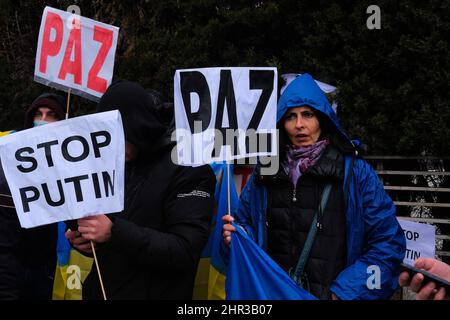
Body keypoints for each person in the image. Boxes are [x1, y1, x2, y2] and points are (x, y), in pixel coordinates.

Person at [222, 73, 406, 300]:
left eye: (307, 115)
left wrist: (344, 293)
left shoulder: (356, 174)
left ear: (323, 119)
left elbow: (387, 246)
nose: (299, 125)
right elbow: (248, 226)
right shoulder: (265, 172)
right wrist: (238, 236)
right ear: (281, 123)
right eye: (291, 116)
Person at [65, 80, 216, 300]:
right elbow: (113, 235)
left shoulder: (190, 169)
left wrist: (113, 232)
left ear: (138, 126)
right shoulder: (113, 164)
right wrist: (88, 241)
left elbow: (185, 250)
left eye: (117, 134)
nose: (110, 145)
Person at [0, 92, 66, 299]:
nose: (43, 120)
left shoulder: (72, 167)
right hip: (14, 269)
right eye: (39, 114)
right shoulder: (9, 160)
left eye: (51, 115)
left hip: (50, 271)